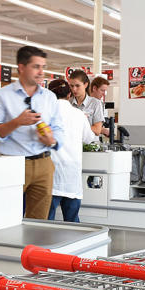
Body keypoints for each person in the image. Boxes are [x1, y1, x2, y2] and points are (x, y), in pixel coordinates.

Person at [0, 45, 62, 219]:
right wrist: (17, 122)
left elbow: (58, 128)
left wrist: (52, 140)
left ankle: (34, 247)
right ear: (21, 67)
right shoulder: (2, 96)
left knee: (40, 219)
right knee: (7, 216)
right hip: (13, 163)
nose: (41, 72)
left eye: (43, 67)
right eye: (36, 66)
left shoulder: (49, 97)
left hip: (44, 163)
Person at [46, 78, 97, 222]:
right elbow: (89, 138)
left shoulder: (44, 114)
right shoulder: (79, 114)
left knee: (45, 223)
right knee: (73, 222)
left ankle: (44, 245)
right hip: (71, 175)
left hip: (51, 174)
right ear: (69, 95)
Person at [68, 69, 106, 136]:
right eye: (71, 86)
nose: (74, 89)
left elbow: (97, 130)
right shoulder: (68, 103)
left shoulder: (95, 103)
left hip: (91, 145)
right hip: (74, 143)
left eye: (77, 86)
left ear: (85, 85)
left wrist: (74, 126)